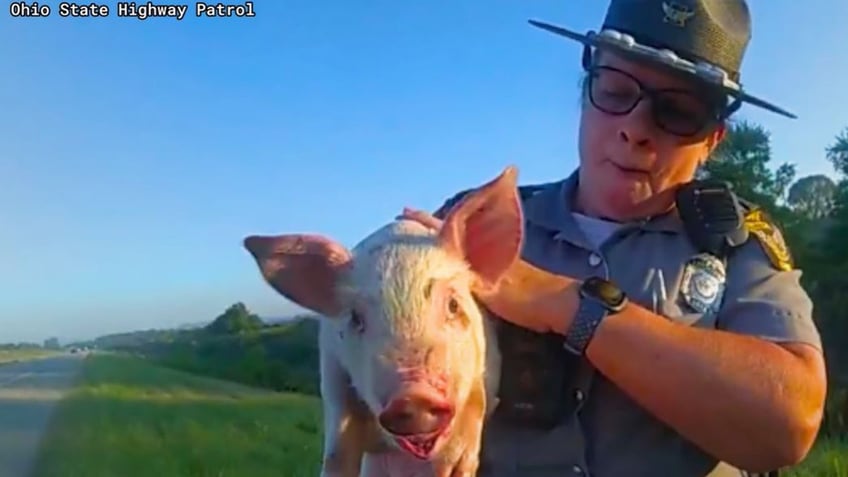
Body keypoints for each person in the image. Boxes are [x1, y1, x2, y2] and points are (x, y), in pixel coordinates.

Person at [400, 0, 828, 476]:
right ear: (585, 92)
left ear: (713, 140)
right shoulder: (473, 222)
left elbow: (788, 424)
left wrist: (565, 304)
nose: (635, 130)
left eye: (679, 112)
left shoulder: (737, 246)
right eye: (615, 90)